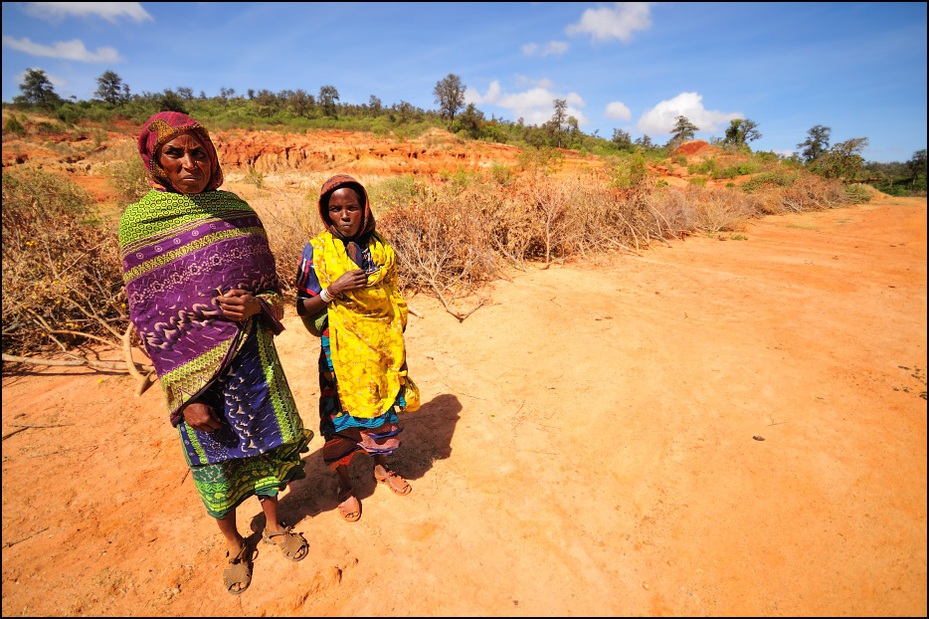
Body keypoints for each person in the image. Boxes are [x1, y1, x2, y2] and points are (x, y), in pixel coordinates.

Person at [118, 111, 313, 595]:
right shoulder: (141, 223)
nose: (190, 163)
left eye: (199, 152)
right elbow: (148, 319)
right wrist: (185, 396)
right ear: (155, 161)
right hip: (194, 377)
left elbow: (272, 292)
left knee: (267, 446)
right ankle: (232, 545)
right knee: (214, 462)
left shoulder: (237, 209)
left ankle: (272, 526)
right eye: (175, 153)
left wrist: (257, 305)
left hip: (252, 357)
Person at [295, 174, 420, 523]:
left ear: (364, 209)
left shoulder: (381, 249)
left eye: (352, 207)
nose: (345, 215)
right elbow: (301, 307)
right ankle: (346, 484)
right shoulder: (316, 251)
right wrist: (332, 291)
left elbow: (394, 297)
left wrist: (394, 337)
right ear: (326, 213)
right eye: (336, 209)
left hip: (381, 350)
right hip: (340, 354)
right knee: (341, 419)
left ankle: (381, 467)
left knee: (381, 412)